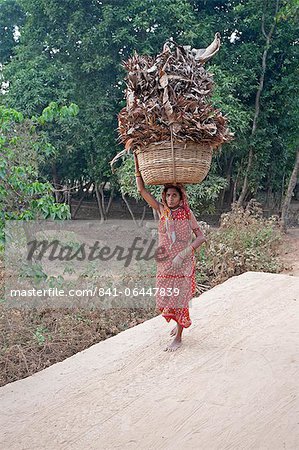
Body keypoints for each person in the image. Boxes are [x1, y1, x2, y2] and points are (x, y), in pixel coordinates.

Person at [134, 154, 207, 351]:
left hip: (182, 262)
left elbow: (201, 237)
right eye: (168, 195)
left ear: (181, 196)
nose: (170, 198)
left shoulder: (187, 214)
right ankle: (177, 324)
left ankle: (180, 336)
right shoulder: (161, 211)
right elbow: (141, 189)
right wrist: (137, 163)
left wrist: (182, 254)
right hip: (165, 262)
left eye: (174, 195)